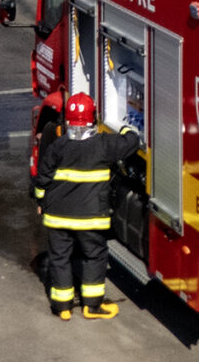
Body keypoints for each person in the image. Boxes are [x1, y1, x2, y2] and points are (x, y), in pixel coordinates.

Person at [34, 91, 141, 320]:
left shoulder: (59, 146)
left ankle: (62, 308)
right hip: (90, 218)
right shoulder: (103, 145)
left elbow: (42, 178)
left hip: (57, 217)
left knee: (60, 257)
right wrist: (124, 128)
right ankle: (91, 307)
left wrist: (41, 202)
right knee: (94, 255)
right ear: (93, 118)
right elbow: (132, 142)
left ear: (68, 120)